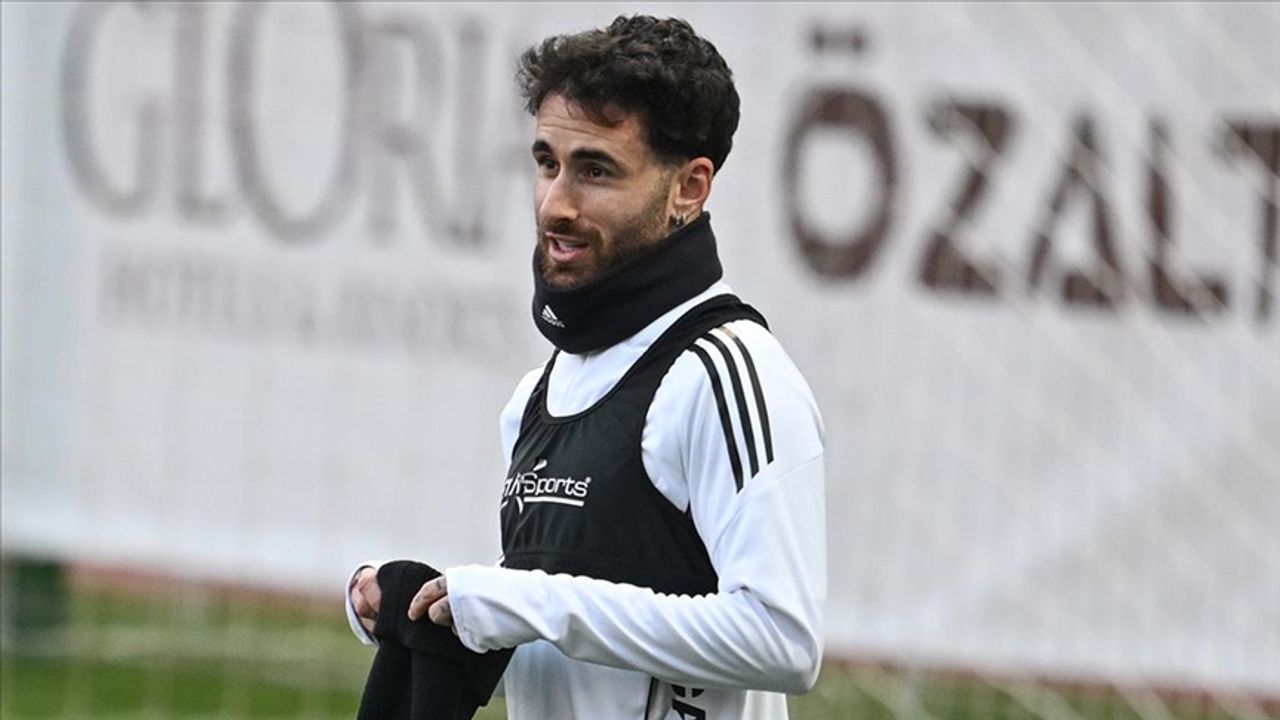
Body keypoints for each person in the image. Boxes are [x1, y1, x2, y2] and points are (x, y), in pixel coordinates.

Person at [348, 14, 826, 720]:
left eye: (596, 171)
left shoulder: (728, 372)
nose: (556, 204)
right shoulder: (537, 394)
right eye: (547, 163)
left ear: (689, 187)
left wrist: (530, 602)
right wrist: (431, 608)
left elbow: (784, 641)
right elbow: (576, 661)